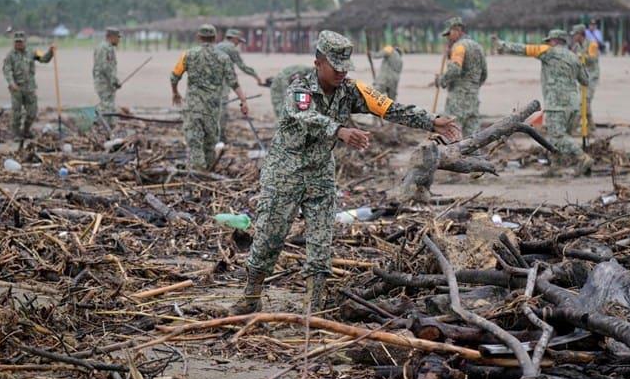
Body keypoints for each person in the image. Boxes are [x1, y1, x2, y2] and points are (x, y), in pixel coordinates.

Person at [231, 30, 461, 314]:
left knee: (320, 242)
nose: (341, 73)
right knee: (269, 237)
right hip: (285, 173)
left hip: (321, 175)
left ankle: (312, 309)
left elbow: (389, 108)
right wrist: (339, 130)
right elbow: (305, 116)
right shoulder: (299, 88)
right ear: (318, 63)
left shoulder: (351, 90)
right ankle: (251, 297)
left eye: (345, 67)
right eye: (335, 67)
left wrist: (430, 121)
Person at [494, 30, 593, 175]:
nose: (547, 43)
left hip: (556, 103)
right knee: (560, 137)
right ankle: (556, 166)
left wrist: (502, 45)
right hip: (573, 105)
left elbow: (524, 49)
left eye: (549, 41)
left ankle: (582, 157)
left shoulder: (548, 51)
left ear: (554, 41)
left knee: (558, 136)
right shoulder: (574, 57)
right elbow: (585, 80)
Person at [171, 24, 250, 171]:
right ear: (215, 38)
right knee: (210, 141)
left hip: (193, 106)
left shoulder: (188, 54)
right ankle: (208, 170)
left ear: (199, 37)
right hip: (212, 108)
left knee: (194, 140)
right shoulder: (223, 57)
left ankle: (198, 171)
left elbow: (174, 76)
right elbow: (233, 82)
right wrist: (243, 101)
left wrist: (175, 93)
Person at [436, 17, 487, 137]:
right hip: (473, 97)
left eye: (449, 34)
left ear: (456, 31)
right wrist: (473, 86)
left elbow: (454, 70)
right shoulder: (478, 47)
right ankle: (474, 156)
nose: (448, 38)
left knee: (452, 132)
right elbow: (484, 73)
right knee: (473, 137)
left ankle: (454, 155)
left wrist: (441, 80)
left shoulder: (459, 47)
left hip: (457, 98)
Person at [2, 31, 55, 139]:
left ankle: (26, 131)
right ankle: (16, 133)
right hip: (16, 88)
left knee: (32, 112)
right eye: (16, 42)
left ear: (25, 42)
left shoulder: (32, 52)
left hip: (30, 88)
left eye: (20, 42)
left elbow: (44, 59)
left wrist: (51, 51)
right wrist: (11, 83)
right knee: (16, 113)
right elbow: (7, 71)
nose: (18, 44)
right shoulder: (10, 55)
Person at [215, 28, 263, 141]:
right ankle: (220, 137)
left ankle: (212, 134)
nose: (238, 44)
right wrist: (256, 76)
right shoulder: (230, 48)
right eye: (238, 41)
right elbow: (243, 67)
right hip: (222, 81)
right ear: (234, 38)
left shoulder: (217, 46)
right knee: (222, 109)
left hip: (210, 82)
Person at [570, 24, 600, 131]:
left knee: (584, 101)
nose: (573, 37)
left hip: (591, 77)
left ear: (580, 34)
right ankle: (592, 126)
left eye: (575, 35)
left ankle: (573, 127)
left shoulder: (592, 45)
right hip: (582, 77)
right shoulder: (576, 46)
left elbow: (592, 59)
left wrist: (580, 56)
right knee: (584, 101)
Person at [93, 27, 121, 125]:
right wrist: (115, 81)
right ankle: (99, 124)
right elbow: (105, 67)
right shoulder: (104, 48)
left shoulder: (109, 47)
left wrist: (114, 82)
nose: (119, 40)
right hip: (103, 82)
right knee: (106, 105)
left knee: (110, 105)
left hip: (107, 82)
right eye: (117, 37)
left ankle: (110, 126)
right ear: (111, 37)